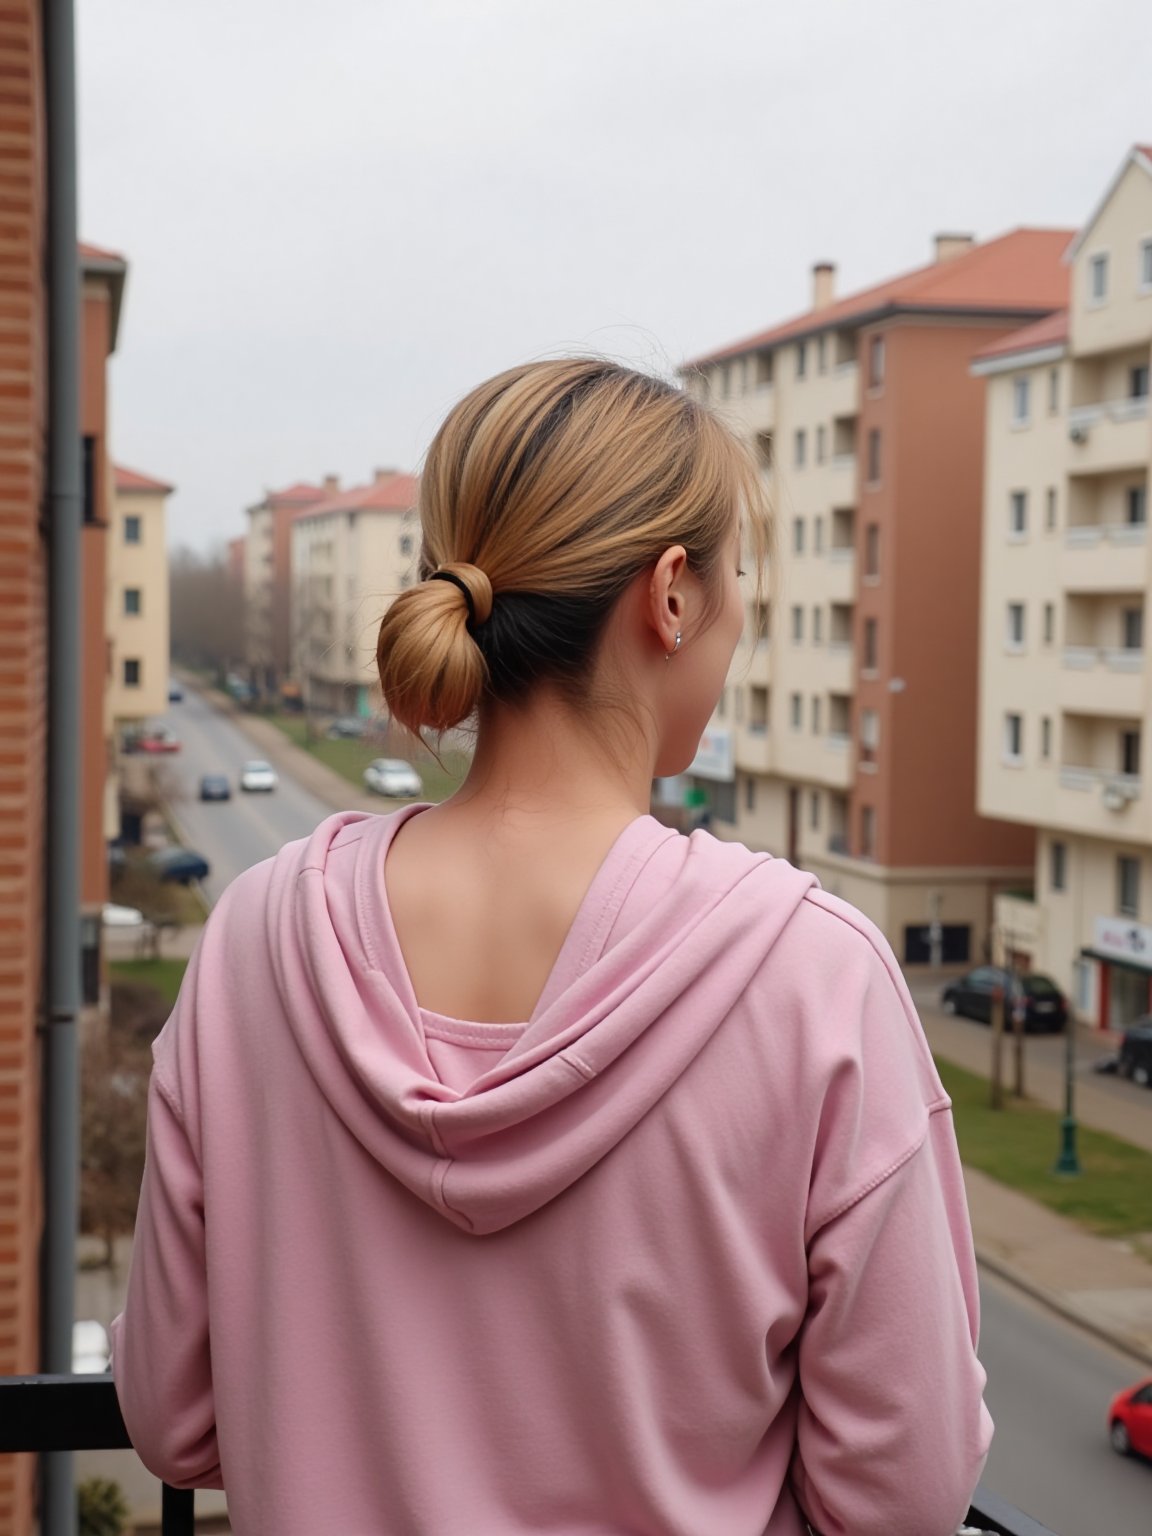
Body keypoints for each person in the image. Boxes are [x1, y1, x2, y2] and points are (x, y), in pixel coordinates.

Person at [113, 359, 991, 1535]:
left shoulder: (253, 941)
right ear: (671, 595)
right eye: (738, 586)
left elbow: (171, 1417)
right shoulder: (813, 976)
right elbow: (904, 1495)